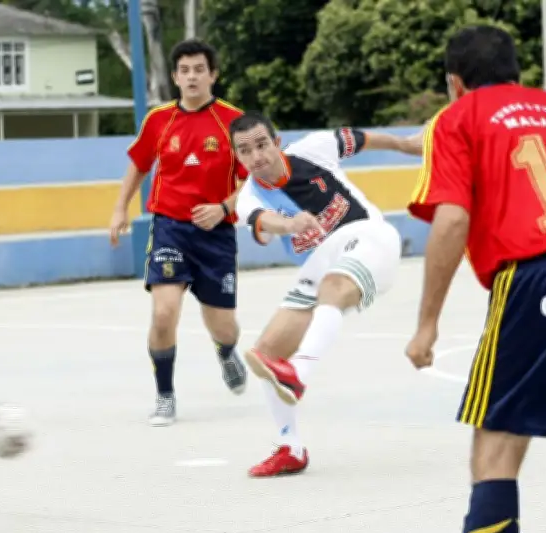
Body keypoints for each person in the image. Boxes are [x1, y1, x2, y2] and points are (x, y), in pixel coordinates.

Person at [405, 24, 546, 533]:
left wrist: (427, 324)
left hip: (535, 282)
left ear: (454, 83)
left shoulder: (458, 118)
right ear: (520, 73)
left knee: (495, 452)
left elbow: (452, 219)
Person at [229, 111, 422, 477]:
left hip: (369, 237)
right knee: (266, 353)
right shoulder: (248, 199)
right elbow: (262, 221)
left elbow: (363, 139)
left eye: (261, 144)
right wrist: (289, 223)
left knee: (332, 287)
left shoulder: (314, 149)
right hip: (322, 261)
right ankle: (290, 446)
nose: (256, 156)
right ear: (237, 157)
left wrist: (407, 145)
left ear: (277, 141)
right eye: (245, 151)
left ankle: (299, 372)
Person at [109, 39, 249, 426]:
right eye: (184, 70)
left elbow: (253, 181)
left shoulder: (234, 122)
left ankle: (226, 352)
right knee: (164, 313)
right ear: (174, 77)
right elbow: (138, 165)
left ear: (213, 75)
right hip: (169, 228)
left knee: (222, 324)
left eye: (199, 69)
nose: (191, 77)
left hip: (217, 234)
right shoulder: (158, 120)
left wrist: (224, 207)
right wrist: (121, 207)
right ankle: (165, 395)